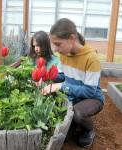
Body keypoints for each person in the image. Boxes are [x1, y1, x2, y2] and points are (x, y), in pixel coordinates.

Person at [42, 18, 105, 147]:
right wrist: (45, 77)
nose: (55, 49)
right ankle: (75, 123)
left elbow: (89, 91)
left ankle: (88, 131)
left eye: (58, 44)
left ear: (72, 38)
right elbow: (61, 75)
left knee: (78, 113)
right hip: (73, 97)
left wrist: (61, 86)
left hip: (92, 98)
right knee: (64, 136)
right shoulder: (65, 53)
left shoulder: (91, 58)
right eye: (53, 44)